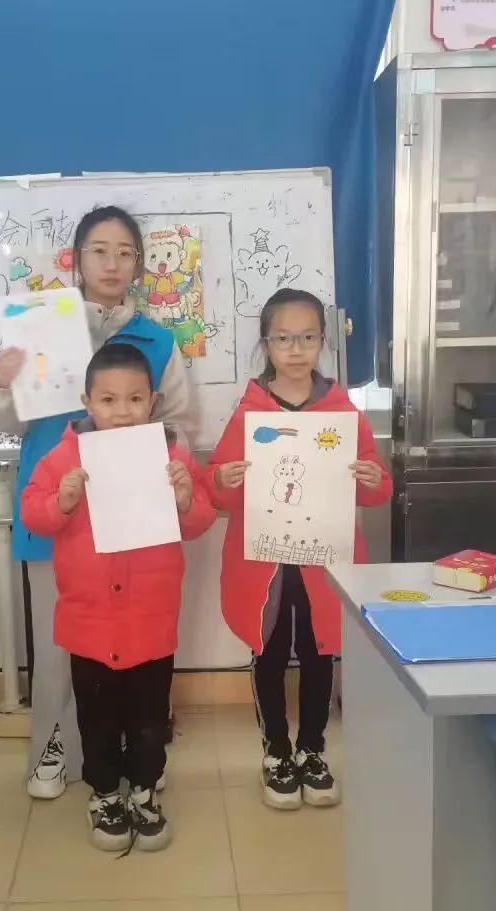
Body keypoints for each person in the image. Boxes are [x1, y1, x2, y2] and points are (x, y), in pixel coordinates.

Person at [0, 206, 196, 800]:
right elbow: (8, 420)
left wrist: (161, 473)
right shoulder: (39, 327)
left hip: (135, 520)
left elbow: (179, 423)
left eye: (125, 252)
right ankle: (53, 747)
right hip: (56, 512)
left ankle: (135, 753)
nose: (112, 263)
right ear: (76, 259)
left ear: (138, 265)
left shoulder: (157, 341)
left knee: (132, 645)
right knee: (60, 649)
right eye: (99, 250)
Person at [20, 342, 214, 850]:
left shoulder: (170, 457)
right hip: (89, 623)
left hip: (150, 621)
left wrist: (185, 500)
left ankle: (144, 791)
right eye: (108, 400)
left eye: (134, 399)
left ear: (152, 401)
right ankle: (105, 795)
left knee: (150, 721)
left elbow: (200, 520)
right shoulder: (63, 458)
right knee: (97, 722)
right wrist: (61, 502)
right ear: (87, 402)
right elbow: (33, 513)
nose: (122, 412)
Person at [205, 288, 392, 810]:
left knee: (319, 650)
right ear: (266, 345)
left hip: (323, 559)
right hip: (265, 562)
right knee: (268, 650)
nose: (295, 348)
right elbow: (216, 487)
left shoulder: (342, 411)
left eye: (307, 337)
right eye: (283, 338)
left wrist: (372, 479)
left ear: (322, 342)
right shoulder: (250, 411)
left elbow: (376, 488)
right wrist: (222, 478)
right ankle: (276, 751)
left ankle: (312, 749)